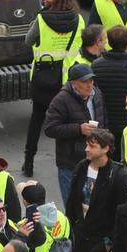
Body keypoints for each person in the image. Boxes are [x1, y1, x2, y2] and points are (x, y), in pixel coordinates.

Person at [24, 0, 83, 177]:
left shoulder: (42, 19)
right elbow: (79, 46)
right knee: (66, 122)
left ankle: (29, 162)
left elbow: (28, 41)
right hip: (65, 78)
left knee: (37, 119)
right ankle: (71, 164)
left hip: (42, 75)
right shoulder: (78, 19)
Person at [42, 63, 106, 201]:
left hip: (95, 160)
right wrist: (78, 129)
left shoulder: (97, 94)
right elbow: (50, 128)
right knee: (73, 205)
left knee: (93, 205)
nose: (89, 85)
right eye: (84, 81)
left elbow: (104, 118)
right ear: (74, 83)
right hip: (71, 164)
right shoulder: (61, 100)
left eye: (91, 80)